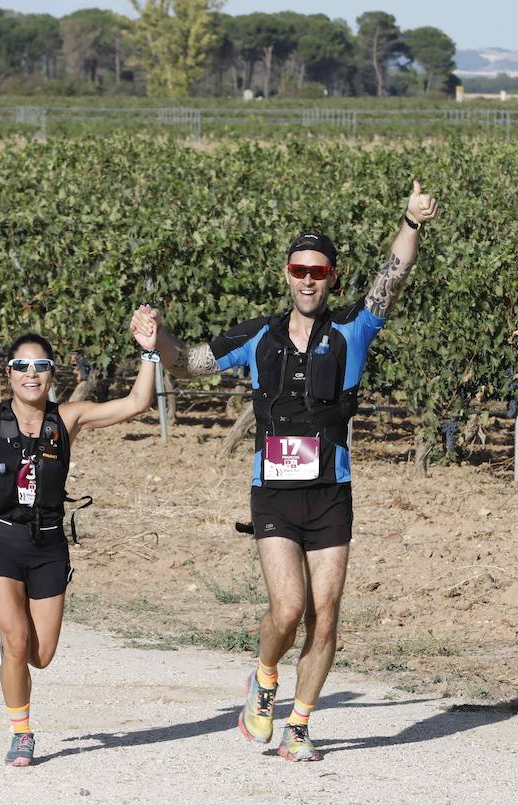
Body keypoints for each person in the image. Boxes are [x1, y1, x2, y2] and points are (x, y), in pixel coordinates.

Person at [154, 181, 440, 762]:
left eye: (319, 270)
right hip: (274, 494)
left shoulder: (352, 331)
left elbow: (394, 277)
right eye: (298, 269)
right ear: (287, 274)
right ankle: (264, 681)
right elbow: (186, 365)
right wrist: (155, 338)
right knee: (287, 609)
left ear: (332, 276)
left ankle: (302, 724)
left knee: (325, 614)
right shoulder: (258, 335)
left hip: (331, 492)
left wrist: (412, 221)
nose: (308, 279)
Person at [0, 306, 161, 766]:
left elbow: (137, 404)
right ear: (8, 374)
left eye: (40, 366)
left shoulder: (68, 418)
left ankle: (10, 644)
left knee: (41, 655)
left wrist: (149, 354)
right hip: (1, 541)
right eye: (21, 366)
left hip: (49, 544)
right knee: (17, 643)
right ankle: (21, 733)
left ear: (52, 372)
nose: (30, 375)